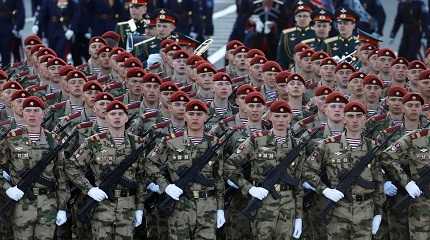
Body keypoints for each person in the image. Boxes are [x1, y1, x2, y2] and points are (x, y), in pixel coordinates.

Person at [145, 99, 226, 240]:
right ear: (185, 116)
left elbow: (218, 177)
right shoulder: (170, 141)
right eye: (191, 113)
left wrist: (220, 208)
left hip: (207, 205)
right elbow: (149, 163)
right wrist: (166, 186)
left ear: (206, 117)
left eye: (199, 114)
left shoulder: (214, 143)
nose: (195, 117)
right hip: (180, 205)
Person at [66, 100, 147, 239]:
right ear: (106, 117)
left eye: (121, 114)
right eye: (113, 113)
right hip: (102, 204)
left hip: (127, 205)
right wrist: (89, 189)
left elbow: (141, 177)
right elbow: (71, 166)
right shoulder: (94, 142)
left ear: (126, 118)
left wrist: (139, 207)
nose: (117, 117)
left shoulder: (138, 143)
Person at [304, 101, 384, 240]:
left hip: (365, 211)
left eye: (359, 116)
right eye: (351, 116)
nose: (355, 120)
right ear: (344, 118)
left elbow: (378, 180)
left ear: (365, 118)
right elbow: (307, 171)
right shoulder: (328, 145)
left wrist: (378, 211)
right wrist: (325, 190)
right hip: (337, 210)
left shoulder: (372, 146)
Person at [225, 99, 303, 240]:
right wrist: (249, 188)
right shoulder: (257, 140)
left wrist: (299, 216)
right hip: (263, 201)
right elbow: (230, 165)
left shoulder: (297, 145)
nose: (281, 120)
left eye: (285, 116)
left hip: (288, 204)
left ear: (290, 118)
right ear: (269, 116)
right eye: (277, 116)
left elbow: (299, 182)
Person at [0, 96, 69, 240]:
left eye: (36, 110)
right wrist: (8, 188)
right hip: (21, 203)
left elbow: (61, 175)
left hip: (48, 203)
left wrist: (62, 207)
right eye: (28, 110)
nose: (32, 114)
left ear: (43, 114)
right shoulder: (11, 139)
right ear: (22, 113)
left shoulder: (54, 140)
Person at [276, 1, 315, 69]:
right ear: (295, 18)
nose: (302, 18)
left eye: (305, 16)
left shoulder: (316, 32)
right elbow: (281, 57)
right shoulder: (286, 34)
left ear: (310, 18)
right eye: (299, 16)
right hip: (292, 69)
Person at [0, 0, 25, 67]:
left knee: (8, 55)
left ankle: (7, 73)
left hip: (9, 28)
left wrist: (18, 27)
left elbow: (21, 11)